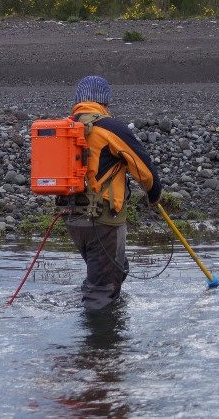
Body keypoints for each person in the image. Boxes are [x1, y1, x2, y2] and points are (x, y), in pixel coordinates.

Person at [60, 75, 162, 313]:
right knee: (102, 292)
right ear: (105, 103)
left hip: (73, 220)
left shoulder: (65, 127)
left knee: (116, 270)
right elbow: (144, 170)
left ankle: (96, 306)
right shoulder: (111, 128)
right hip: (104, 221)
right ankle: (100, 349)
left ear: (78, 101)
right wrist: (154, 194)